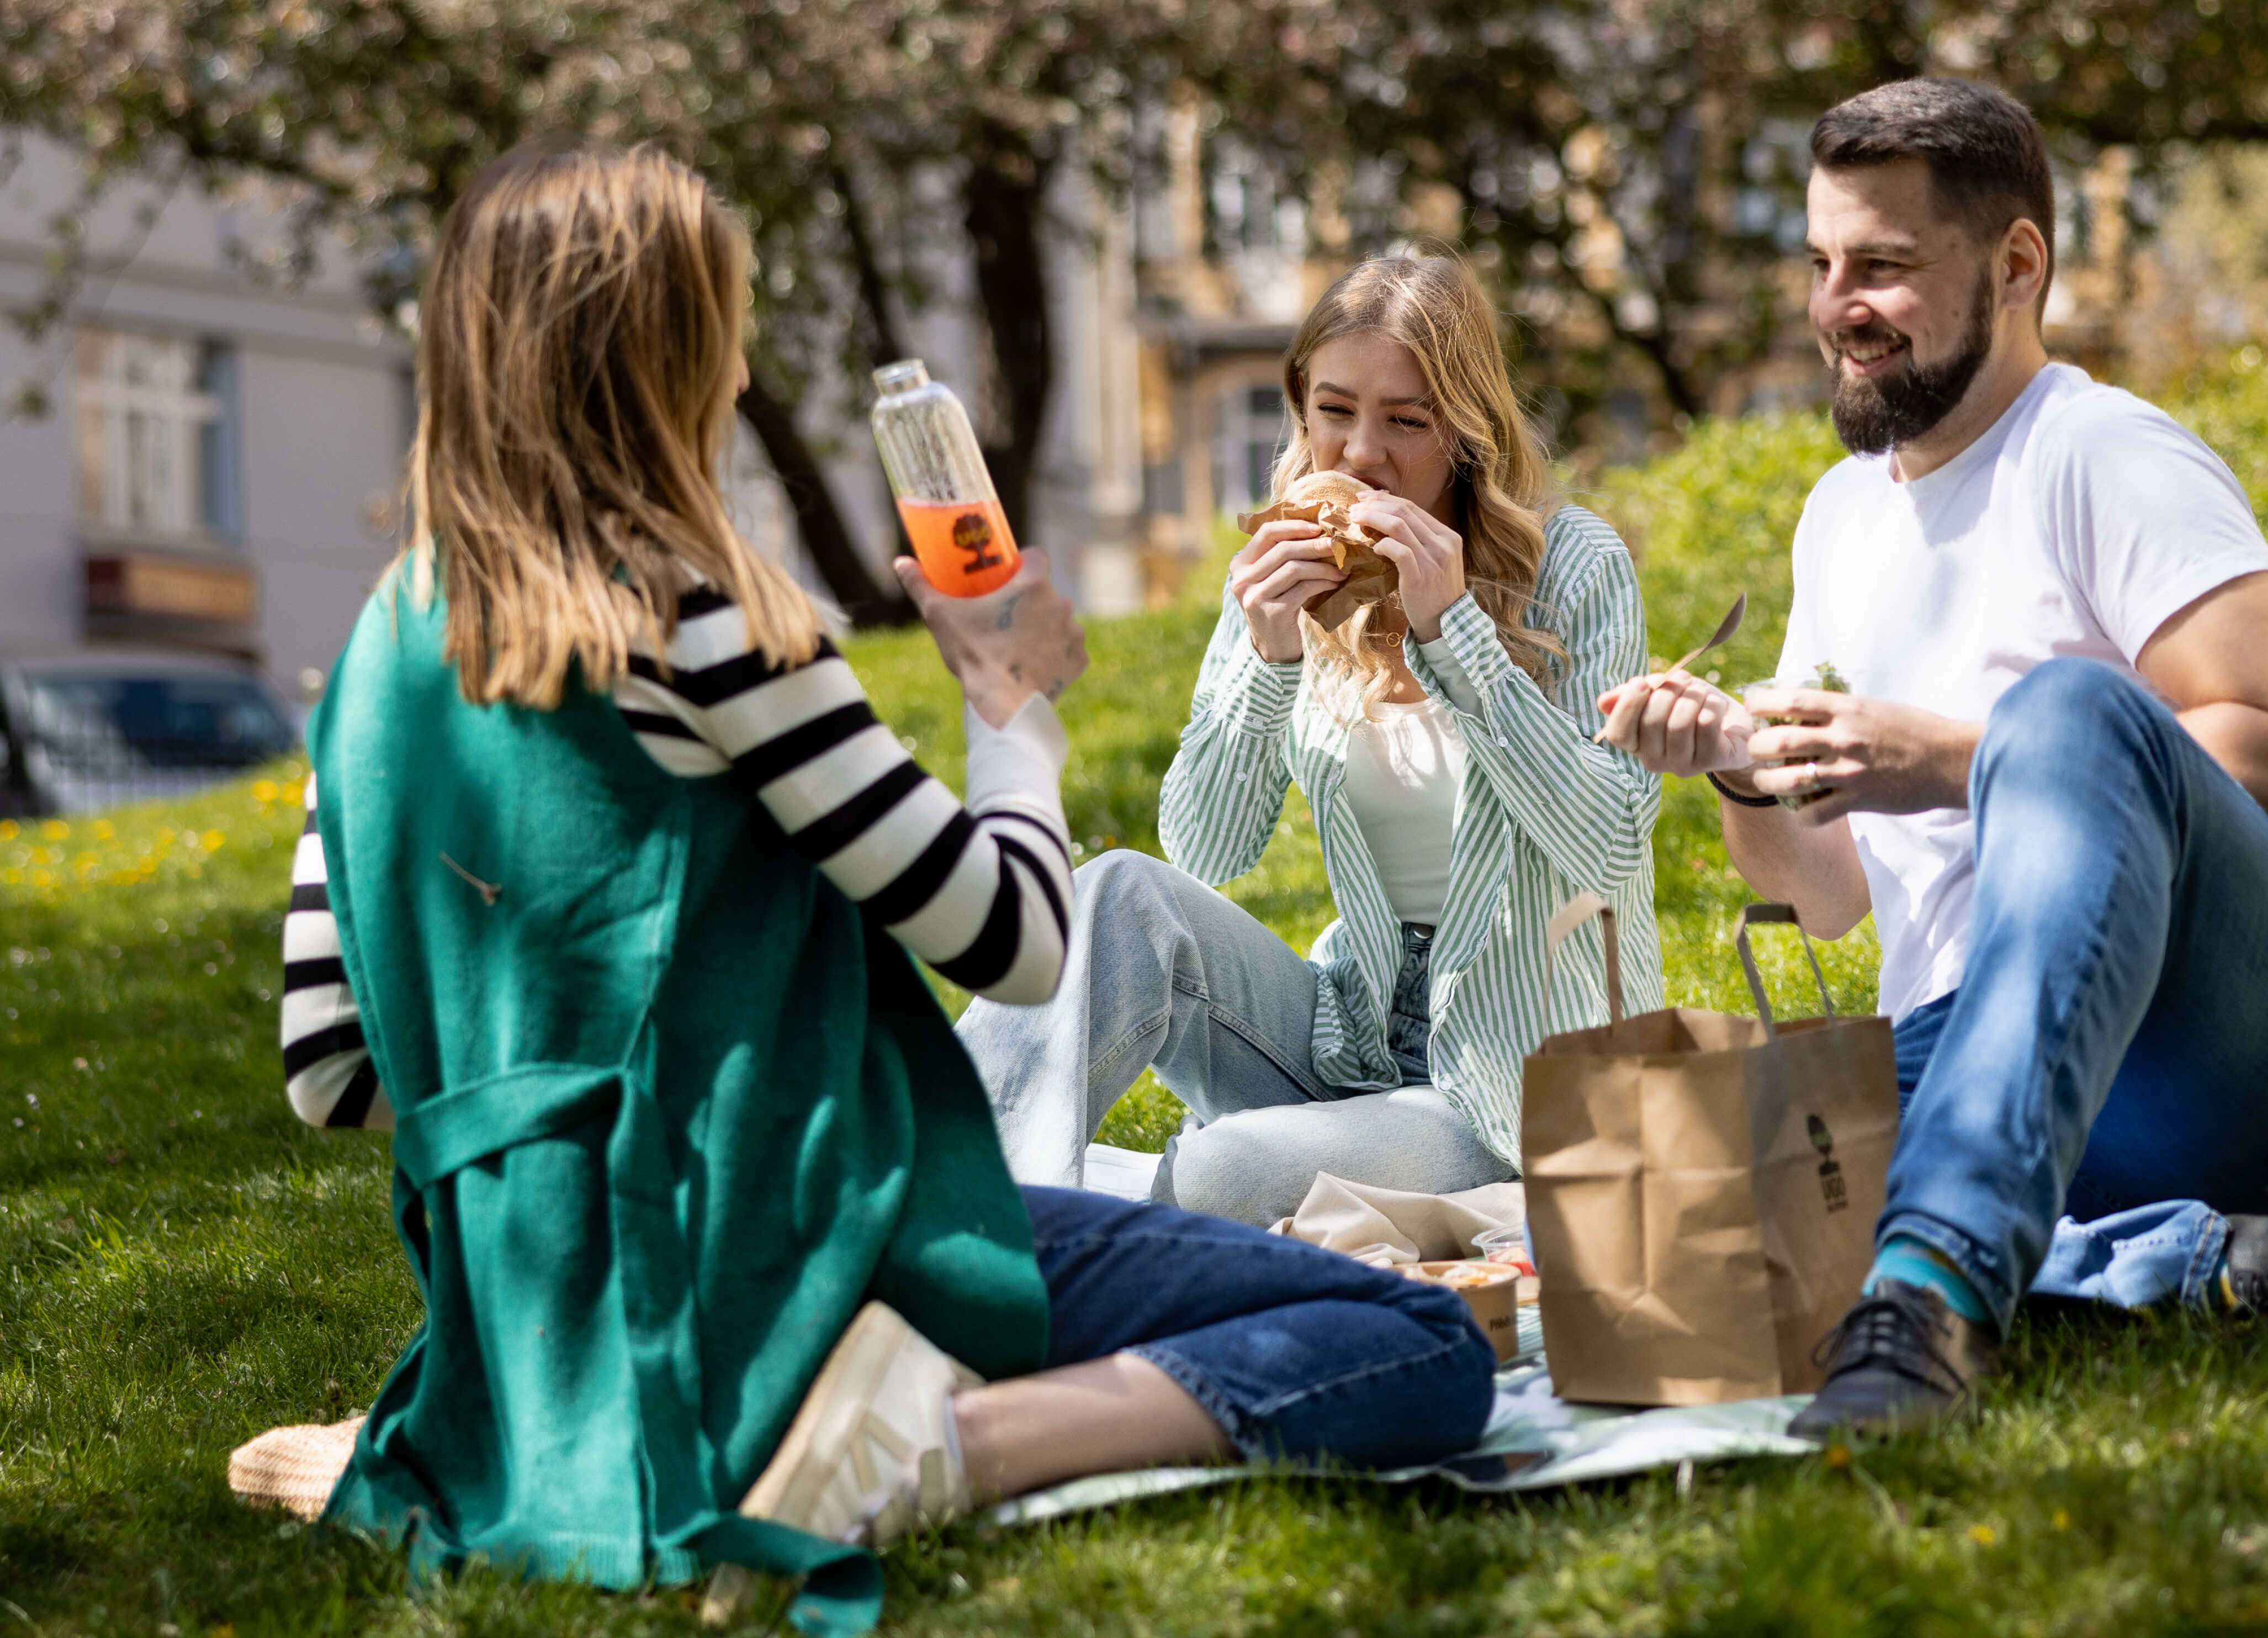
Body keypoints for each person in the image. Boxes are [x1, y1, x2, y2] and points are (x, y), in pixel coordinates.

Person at [263, 141, 1493, 1632]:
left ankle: (529, 1451)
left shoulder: (370, 674)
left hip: (531, 1311)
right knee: (1416, 1342)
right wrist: (1006, 709)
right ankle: (914, 1447)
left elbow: (332, 1073)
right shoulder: (700, 616)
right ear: (669, 353)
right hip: (787, 1243)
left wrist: (568, 1093)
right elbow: (1013, 939)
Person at [1597, 79, 2268, 1440]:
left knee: (2069, 715)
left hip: (2241, 1044)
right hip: (1988, 1059)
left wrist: (1957, 758)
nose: (1832, 307)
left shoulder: (2098, 453)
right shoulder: (1839, 517)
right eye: (1817, 265)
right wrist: (1742, 771)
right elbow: (1826, 899)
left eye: (1880, 267)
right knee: (1637, 1198)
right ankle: (2214, 1263)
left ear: (2015, 264)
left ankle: (1924, 1301)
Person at [960, 252, 1661, 1229]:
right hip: (1350, 1036)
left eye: (1405, 420)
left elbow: (1614, 841)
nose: (1361, 456)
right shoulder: (1283, 563)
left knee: (1222, 1175)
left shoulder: (1571, 560)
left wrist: (1454, 631)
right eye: (1334, 412)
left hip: (1518, 1085)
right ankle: (937, 1194)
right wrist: (1267, 657)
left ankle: (1070, 1233)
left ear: (1465, 430)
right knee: (1116, 889)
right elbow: (1206, 850)